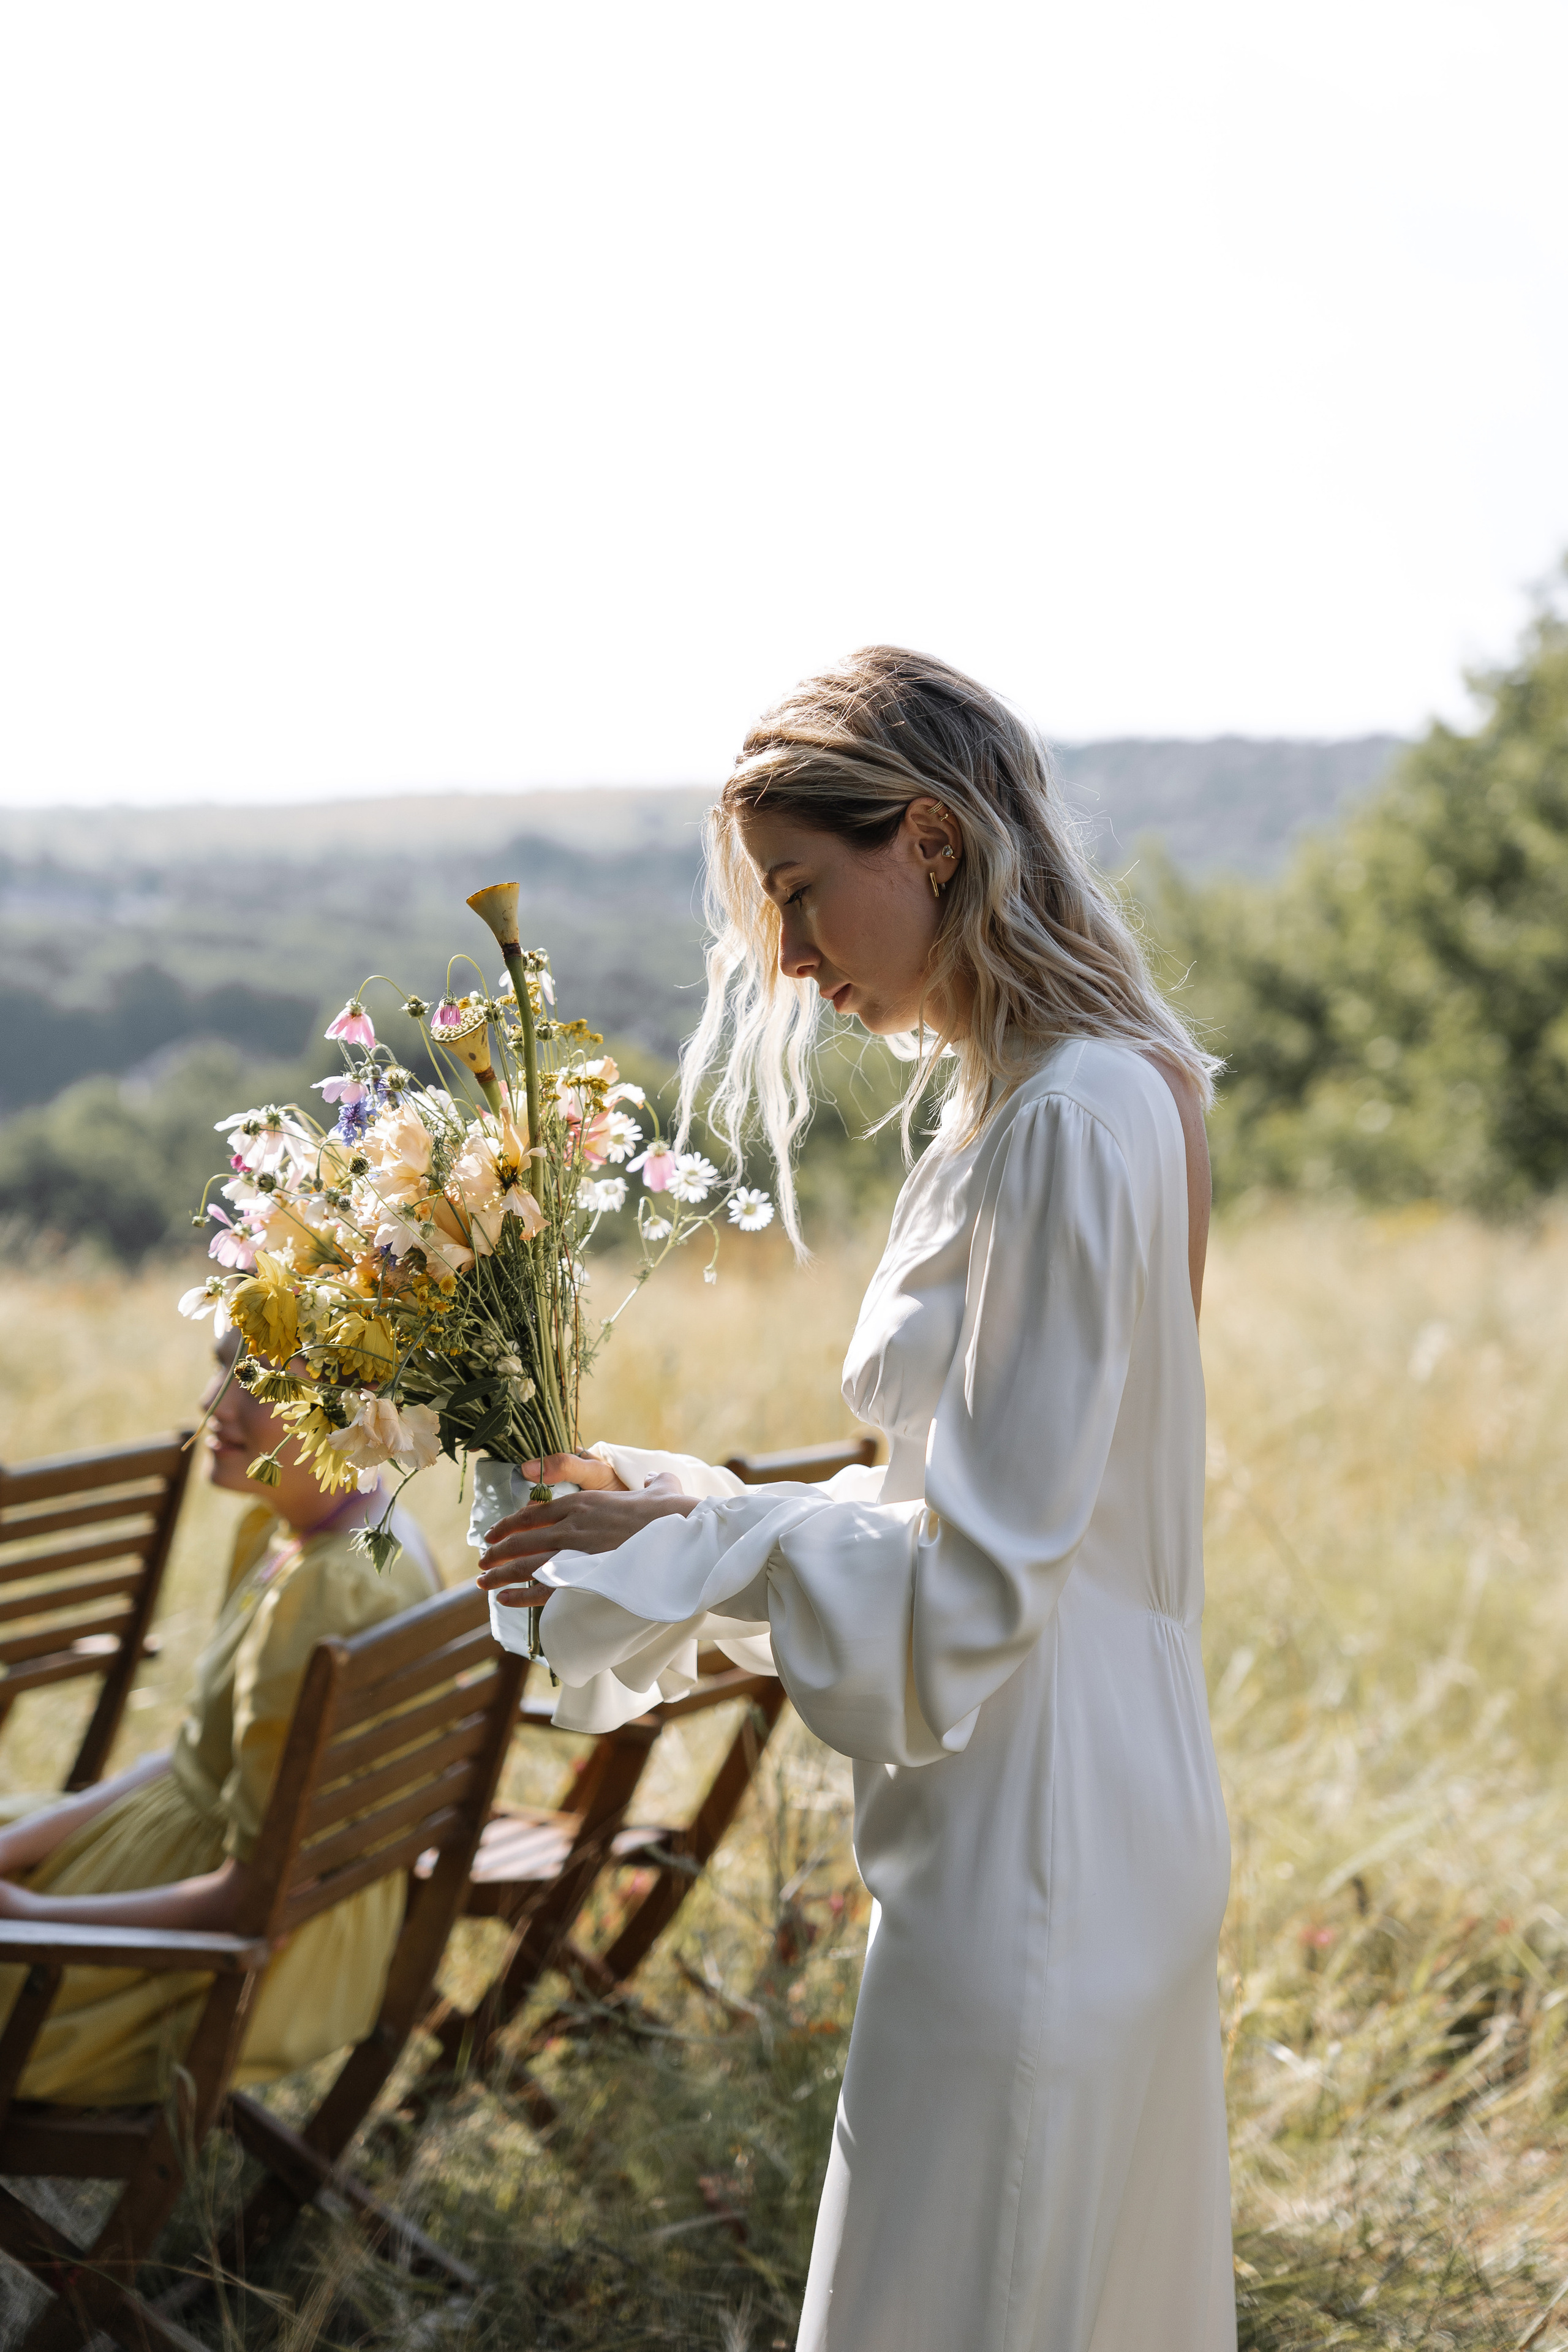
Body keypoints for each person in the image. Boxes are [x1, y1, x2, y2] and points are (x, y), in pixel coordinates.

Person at [477, 647, 1236, 2351]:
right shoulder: (1087, 1094)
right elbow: (984, 1510)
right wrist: (673, 1508)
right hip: (1084, 1789)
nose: (790, 956)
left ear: (931, 840)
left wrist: (698, 1547)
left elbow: (980, 1587)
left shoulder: (1067, 1119)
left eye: (802, 890)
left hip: (1038, 1828)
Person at [0, 1338, 439, 2105]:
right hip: (183, 1855)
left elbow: (253, 1897)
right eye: (220, 1369)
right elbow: (194, 1758)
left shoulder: (327, 1594)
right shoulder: (323, 1532)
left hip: (218, 1948)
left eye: (258, 1385)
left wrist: (37, 1918)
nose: (212, 1404)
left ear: (354, 1417)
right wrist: (19, 1847)